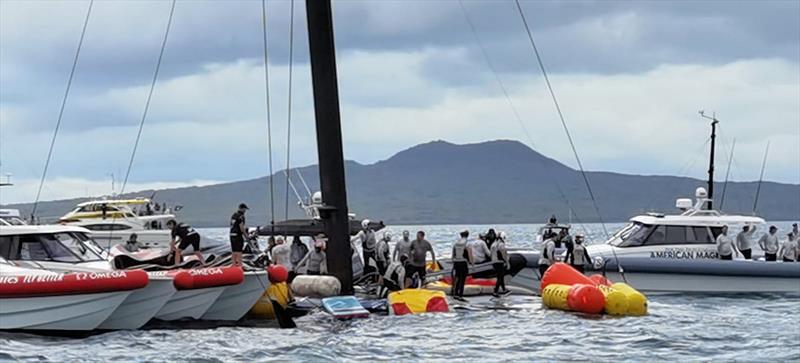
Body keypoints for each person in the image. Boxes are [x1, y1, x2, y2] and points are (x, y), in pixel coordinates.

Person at [451, 230, 473, 300]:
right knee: (462, 279)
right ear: (467, 235)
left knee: (457, 278)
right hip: (463, 262)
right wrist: (472, 263)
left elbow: (453, 254)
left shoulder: (456, 243)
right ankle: (460, 295)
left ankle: (455, 294)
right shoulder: (467, 243)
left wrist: (453, 261)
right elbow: (469, 253)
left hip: (456, 262)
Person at [491, 231, 510, 297]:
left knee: (500, 276)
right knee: (500, 277)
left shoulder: (493, 244)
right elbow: (504, 254)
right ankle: (495, 291)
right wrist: (507, 263)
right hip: (500, 262)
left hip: (494, 262)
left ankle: (503, 289)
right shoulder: (501, 244)